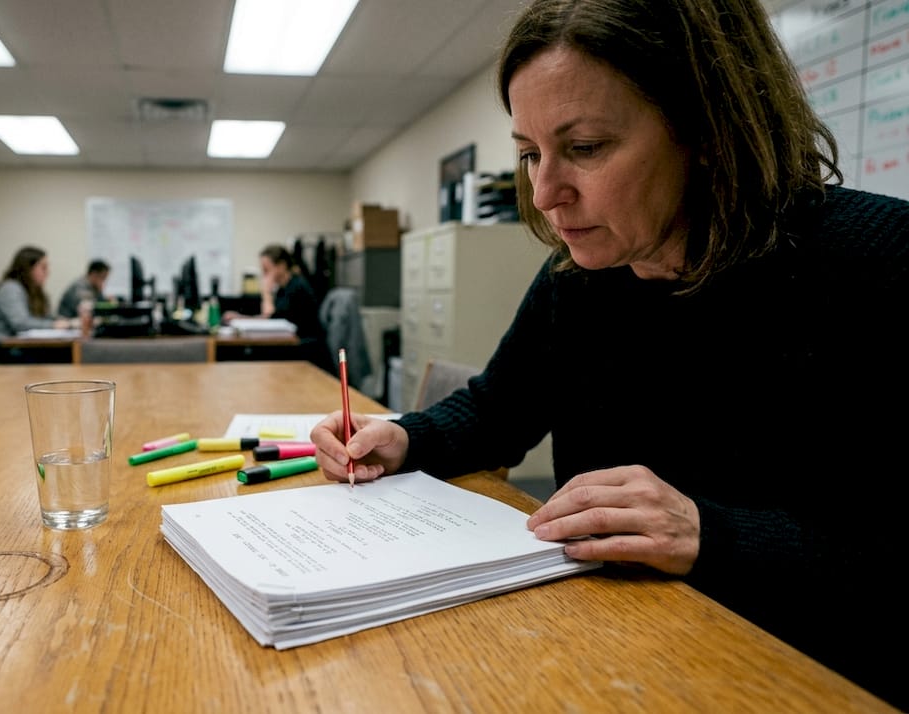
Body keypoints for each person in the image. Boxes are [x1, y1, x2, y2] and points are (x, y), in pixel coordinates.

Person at [310, 0, 909, 707]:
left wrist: (711, 534)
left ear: (707, 129)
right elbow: (499, 408)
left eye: (585, 148)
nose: (545, 193)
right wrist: (406, 437)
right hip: (604, 651)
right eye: (530, 153)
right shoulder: (580, 277)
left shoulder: (879, 263)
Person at [224, 244, 330, 372]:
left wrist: (266, 293)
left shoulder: (297, 287)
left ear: (281, 266)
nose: (264, 275)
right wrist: (240, 318)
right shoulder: (283, 289)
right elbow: (271, 317)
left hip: (304, 350)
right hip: (292, 346)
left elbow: (271, 318)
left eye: (266, 270)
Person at [0, 246, 71, 358]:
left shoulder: (32, 291)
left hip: (18, 348)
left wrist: (62, 321)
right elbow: (20, 323)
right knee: (61, 356)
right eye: (43, 267)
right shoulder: (10, 288)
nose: (47, 272)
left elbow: (41, 318)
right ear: (28, 268)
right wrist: (53, 325)